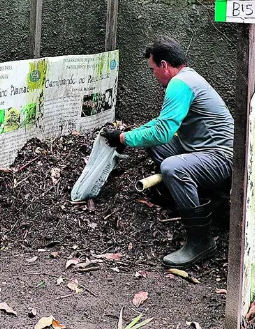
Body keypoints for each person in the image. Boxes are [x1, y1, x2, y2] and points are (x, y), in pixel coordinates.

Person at [100, 36, 234, 268]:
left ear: (164, 65)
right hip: (201, 151)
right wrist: (128, 135)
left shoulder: (179, 85)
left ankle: (201, 242)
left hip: (222, 158)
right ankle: (200, 199)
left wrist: (123, 138)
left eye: (153, 69)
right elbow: (161, 124)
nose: (153, 75)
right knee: (152, 143)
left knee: (171, 167)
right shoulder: (187, 78)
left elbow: (162, 132)